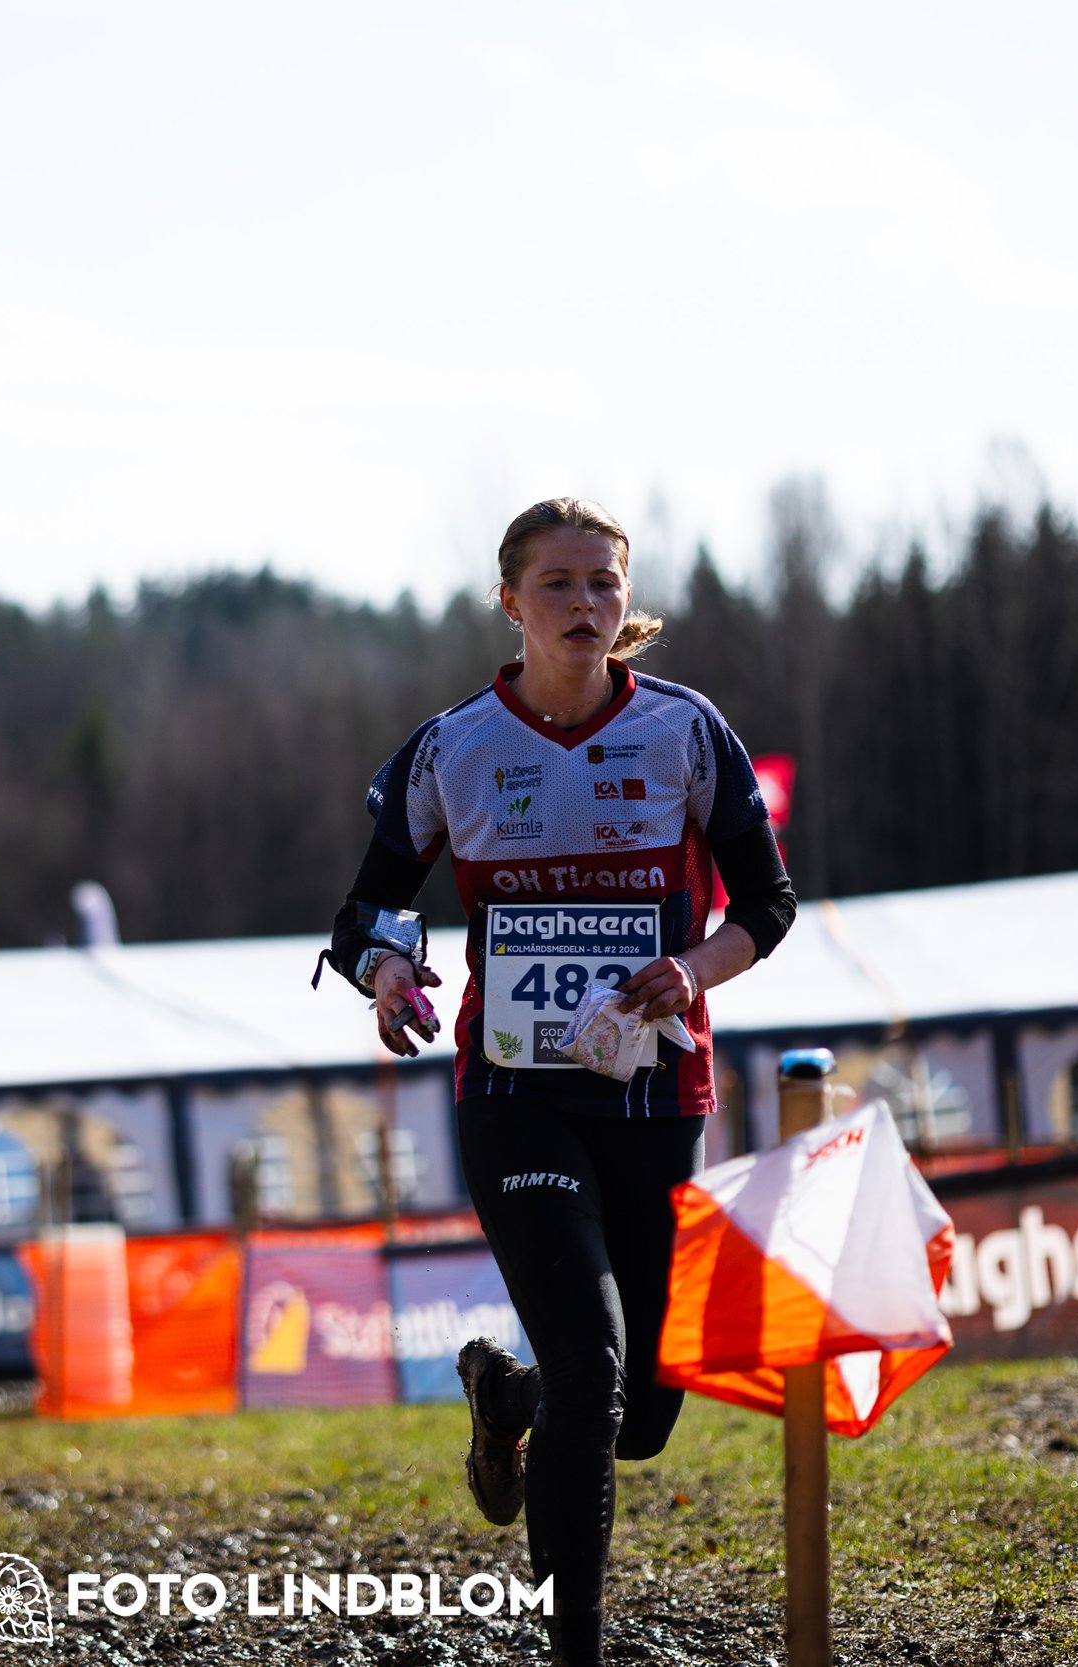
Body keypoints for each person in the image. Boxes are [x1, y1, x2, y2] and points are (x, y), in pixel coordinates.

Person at [318, 497, 795, 1667]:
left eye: (604, 583)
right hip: (514, 1093)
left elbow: (767, 904)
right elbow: (364, 911)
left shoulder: (685, 730)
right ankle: (571, 1643)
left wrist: (691, 968)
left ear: (626, 600)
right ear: (510, 602)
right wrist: (386, 970)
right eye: (558, 584)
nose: (585, 604)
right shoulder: (454, 746)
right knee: (591, 1362)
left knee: (640, 1412)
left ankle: (508, 1400)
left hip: (654, 1093)